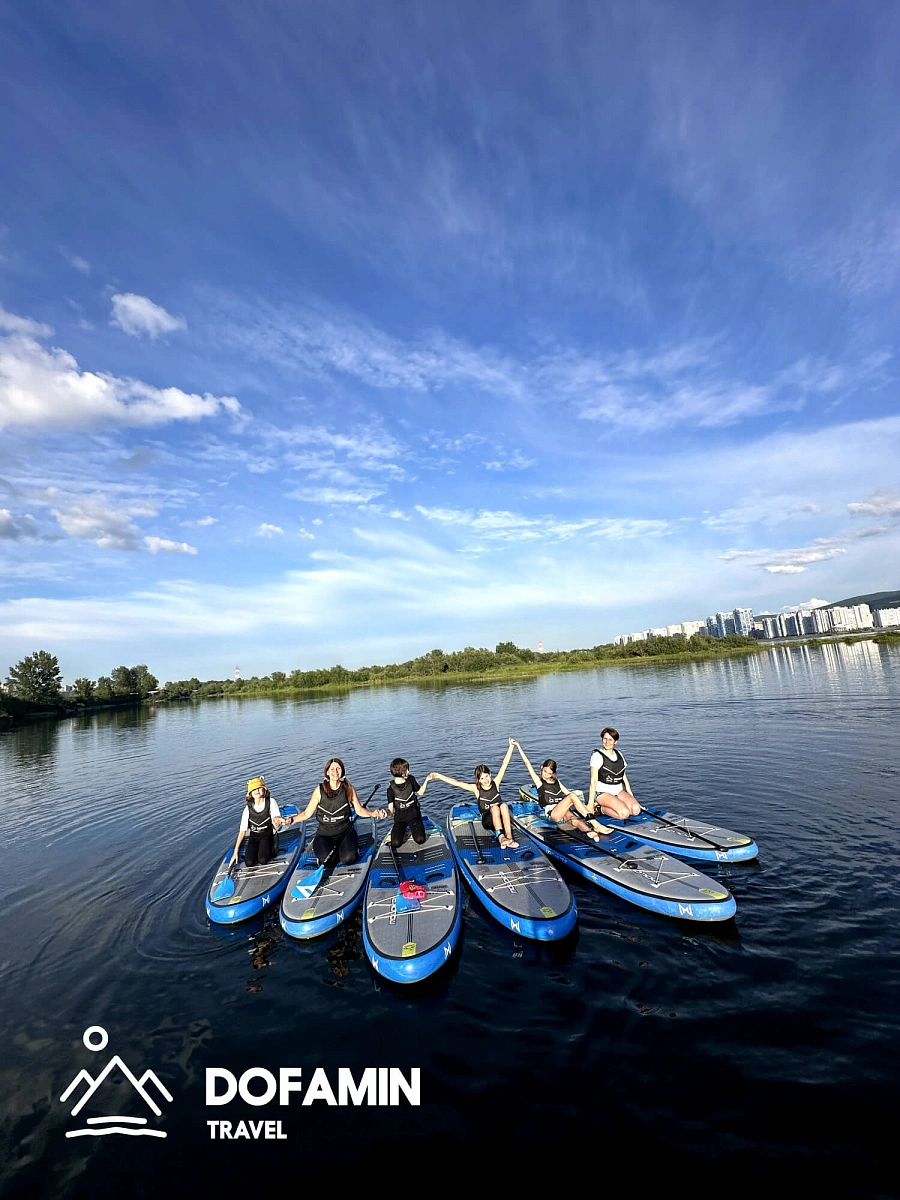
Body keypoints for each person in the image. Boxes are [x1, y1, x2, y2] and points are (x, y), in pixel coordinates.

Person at [293, 758, 388, 867]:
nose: (335, 772)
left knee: (349, 859)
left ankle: (349, 849)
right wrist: (289, 820)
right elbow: (306, 814)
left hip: (345, 831)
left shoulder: (348, 789)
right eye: (332, 769)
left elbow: (359, 810)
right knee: (327, 861)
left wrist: (373, 814)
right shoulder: (319, 791)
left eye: (338, 768)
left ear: (342, 771)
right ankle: (333, 852)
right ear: (327, 772)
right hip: (324, 835)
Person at [427, 738, 519, 848]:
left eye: (486, 776)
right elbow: (457, 783)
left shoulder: (496, 783)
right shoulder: (476, 789)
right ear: (478, 780)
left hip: (500, 820)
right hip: (488, 822)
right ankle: (501, 838)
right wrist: (439, 776)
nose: (485, 780)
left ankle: (509, 837)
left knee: (504, 805)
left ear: (490, 774)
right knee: (495, 808)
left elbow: (504, 764)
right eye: (482, 778)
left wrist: (511, 747)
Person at [511, 740, 607, 841]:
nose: (546, 775)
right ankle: (594, 822)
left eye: (549, 773)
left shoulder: (557, 782)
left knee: (575, 820)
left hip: (563, 811)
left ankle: (589, 831)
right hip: (553, 814)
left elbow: (568, 793)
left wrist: (583, 806)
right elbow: (527, 764)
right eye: (545, 771)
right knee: (572, 796)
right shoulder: (539, 783)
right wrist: (518, 746)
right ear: (541, 768)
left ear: (553, 773)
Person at [230, 775, 295, 869]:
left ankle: (271, 847)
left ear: (264, 790)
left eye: (259, 788)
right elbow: (242, 831)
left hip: (267, 834)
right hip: (254, 836)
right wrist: (235, 852)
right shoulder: (247, 809)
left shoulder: (271, 802)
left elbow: (275, 820)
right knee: (248, 862)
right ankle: (258, 851)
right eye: (254, 789)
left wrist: (279, 821)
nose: (257, 791)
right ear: (250, 794)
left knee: (263, 860)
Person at [588, 727, 641, 820]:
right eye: (605, 739)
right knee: (624, 814)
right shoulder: (597, 756)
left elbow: (624, 777)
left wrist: (631, 797)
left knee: (636, 810)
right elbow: (593, 781)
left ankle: (617, 805)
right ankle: (600, 809)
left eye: (610, 739)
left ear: (615, 742)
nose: (607, 742)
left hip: (618, 791)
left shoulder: (619, 754)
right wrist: (590, 803)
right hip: (602, 793)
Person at [387, 757, 432, 850]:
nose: (408, 771)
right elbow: (391, 812)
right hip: (400, 819)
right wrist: (385, 813)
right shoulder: (390, 790)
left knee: (420, 839)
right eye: (406, 769)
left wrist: (427, 780)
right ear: (401, 772)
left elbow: (420, 792)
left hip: (414, 816)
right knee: (396, 843)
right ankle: (403, 832)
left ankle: (414, 829)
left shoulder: (411, 780)